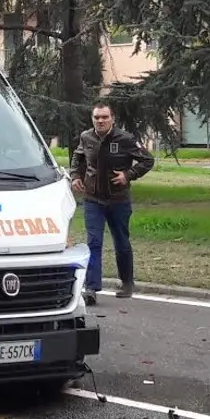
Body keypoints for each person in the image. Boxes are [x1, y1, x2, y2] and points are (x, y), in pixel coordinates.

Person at [69, 103, 155, 302]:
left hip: (118, 200)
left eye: (104, 117)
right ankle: (91, 289)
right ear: (93, 119)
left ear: (112, 119)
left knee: (121, 242)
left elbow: (147, 161)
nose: (100, 121)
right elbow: (78, 157)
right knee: (94, 243)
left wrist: (129, 174)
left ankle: (127, 282)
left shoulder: (125, 139)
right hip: (93, 199)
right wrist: (75, 176)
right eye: (97, 117)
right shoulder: (86, 137)